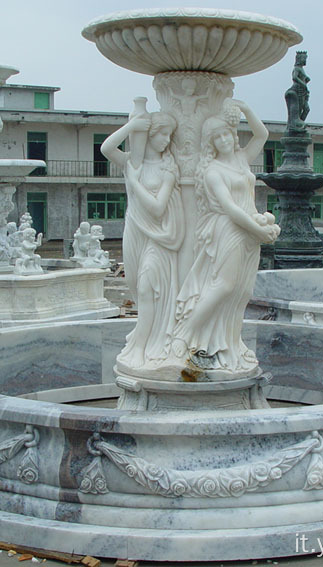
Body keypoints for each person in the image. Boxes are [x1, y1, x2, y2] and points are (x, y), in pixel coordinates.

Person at [172, 99, 279, 373]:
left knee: (243, 291)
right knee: (224, 285)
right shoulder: (212, 171)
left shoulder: (242, 158)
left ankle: (227, 343)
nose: (223, 140)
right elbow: (231, 208)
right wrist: (259, 230)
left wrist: (245, 109)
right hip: (229, 229)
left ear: (233, 135)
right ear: (211, 142)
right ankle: (184, 334)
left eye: (226, 134)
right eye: (216, 137)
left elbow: (262, 134)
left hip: (250, 231)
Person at [101, 110, 184, 370]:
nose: (165, 140)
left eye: (169, 135)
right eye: (161, 134)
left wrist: (135, 185)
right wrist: (131, 126)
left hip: (160, 237)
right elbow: (106, 148)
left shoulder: (168, 167)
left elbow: (159, 208)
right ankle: (146, 338)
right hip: (135, 232)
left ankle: (140, 347)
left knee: (148, 287)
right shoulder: (132, 162)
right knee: (136, 287)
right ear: (148, 135)